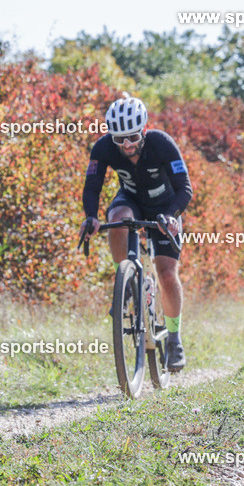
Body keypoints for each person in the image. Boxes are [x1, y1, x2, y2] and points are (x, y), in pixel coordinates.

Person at [80, 93, 193, 371]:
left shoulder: (162, 143)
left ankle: (175, 339)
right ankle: (128, 281)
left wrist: (172, 215)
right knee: (116, 217)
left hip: (165, 207)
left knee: (167, 274)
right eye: (119, 139)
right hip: (130, 200)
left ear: (143, 130)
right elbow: (92, 186)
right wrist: (91, 217)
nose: (126, 144)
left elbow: (185, 189)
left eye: (131, 137)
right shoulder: (104, 147)